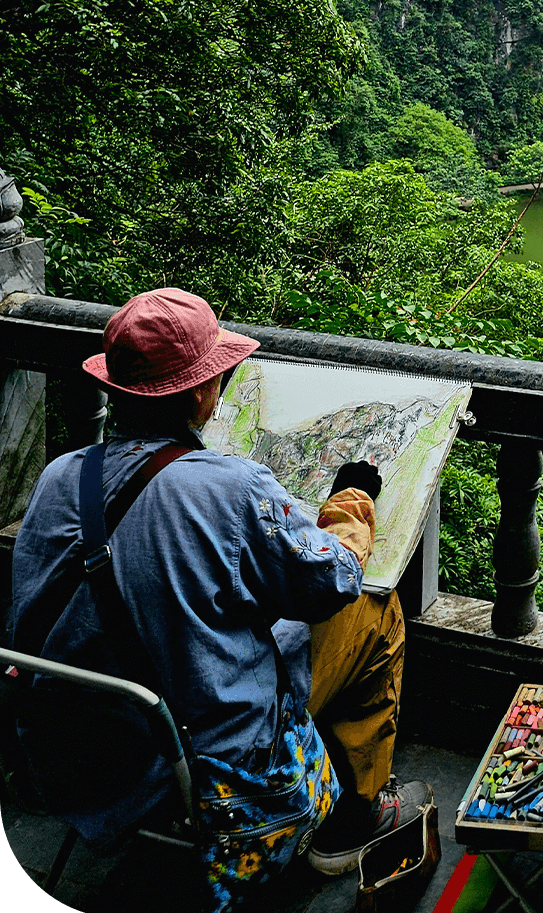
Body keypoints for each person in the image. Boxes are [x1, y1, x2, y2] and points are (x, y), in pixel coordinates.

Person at [11, 286, 431, 896]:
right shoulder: (231, 488)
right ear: (199, 393)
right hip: (198, 765)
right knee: (375, 607)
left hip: (75, 748)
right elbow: (333, 579)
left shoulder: (61, 477)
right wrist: (350, 506)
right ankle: (353, 817)